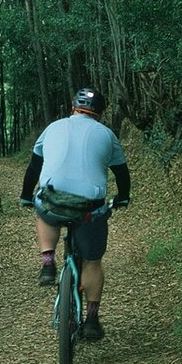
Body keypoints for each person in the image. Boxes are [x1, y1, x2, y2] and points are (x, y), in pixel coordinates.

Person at [19, 87, 131, 341]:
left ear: (73, 108)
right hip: (90, 208)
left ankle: (47, 262)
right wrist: (122, 197)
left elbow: (34, 167)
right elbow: (122, 174)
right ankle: (91, 319)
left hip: (54, 201)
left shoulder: (53, 127)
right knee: (92, 261)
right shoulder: (107, 134)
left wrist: (27, 196)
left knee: (44, 205)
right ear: (100, 113)